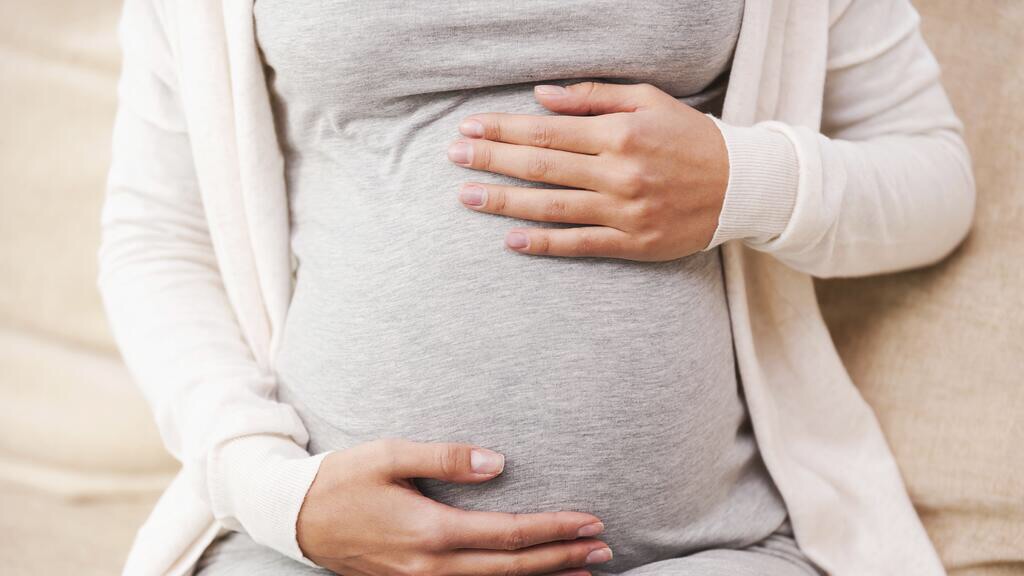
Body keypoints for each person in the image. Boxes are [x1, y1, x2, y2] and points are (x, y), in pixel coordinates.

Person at [98, 1, 974, 575]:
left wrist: (741, 179)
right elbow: (156, 237)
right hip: (311, 550)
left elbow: (935, 180)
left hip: (708, 551)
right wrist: (271, 493)